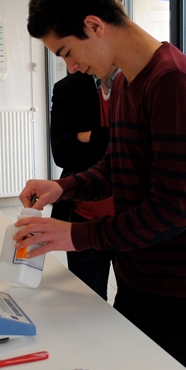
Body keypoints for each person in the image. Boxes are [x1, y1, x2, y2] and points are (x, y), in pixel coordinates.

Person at [15, 0, 186, 370]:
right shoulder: (126, 85)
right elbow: (118, 167)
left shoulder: (173, 82)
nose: (72, 67)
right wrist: (66, 187)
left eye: (67, 52)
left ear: (94, 26)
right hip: (140, 278)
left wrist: (75, 236)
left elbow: (172, 210)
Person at [50, 67, 119, 300]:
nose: (71, 63)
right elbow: (63, 153)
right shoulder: (68, 89)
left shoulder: (135, 84)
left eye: (70, 50)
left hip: (130, 219)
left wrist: (91, 136)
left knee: (135, 312)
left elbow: (140, 145)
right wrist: (111, 140)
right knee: (87, 303)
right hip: (83, 216)